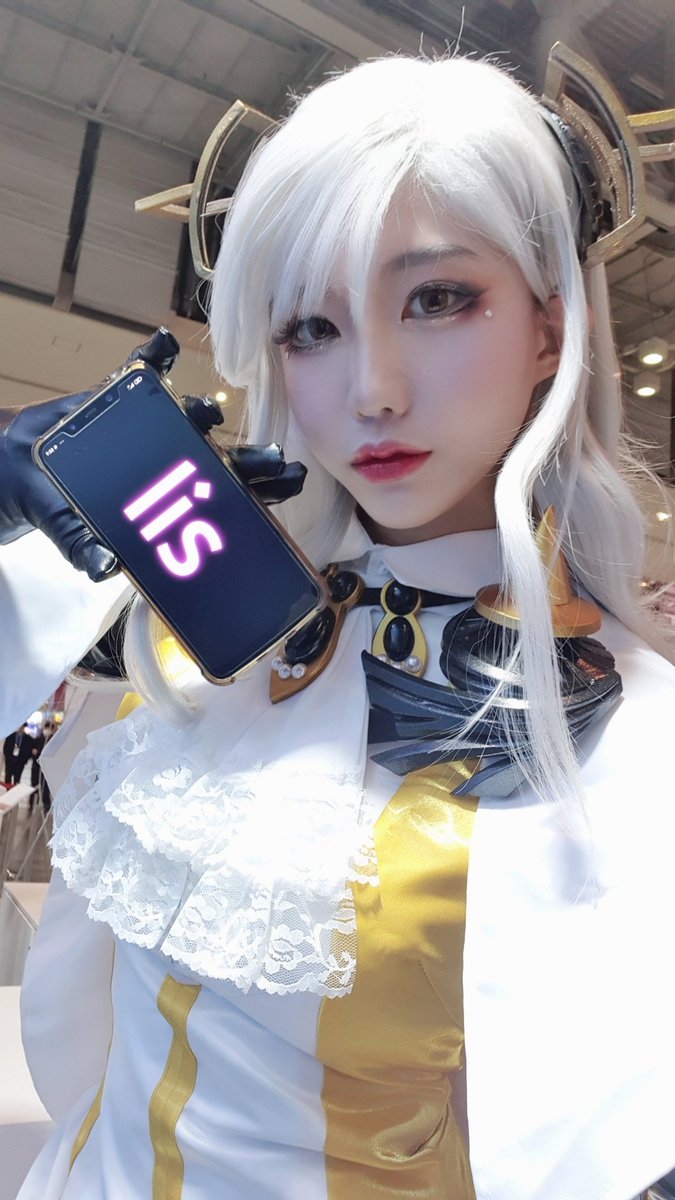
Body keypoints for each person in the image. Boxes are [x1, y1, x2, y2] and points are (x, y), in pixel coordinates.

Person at [9, 44, 675, 1200]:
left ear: (550, 328)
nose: (372, 390)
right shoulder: (191, 618)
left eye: (437, 299)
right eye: (310, 326)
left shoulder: (638, 747)